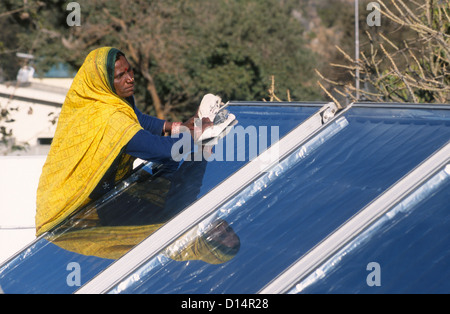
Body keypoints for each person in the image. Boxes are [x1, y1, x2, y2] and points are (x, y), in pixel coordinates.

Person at [35, 47, 212, 236]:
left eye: (129, 70)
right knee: (167, 211)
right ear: (103, 82)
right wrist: (198, 131)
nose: (130, 78)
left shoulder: (108, 100)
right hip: (72, 214)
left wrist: (179, 127)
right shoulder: (110, 119)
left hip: (100, 196)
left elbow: (138, 120)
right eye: (120, 75)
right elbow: (166, 151)